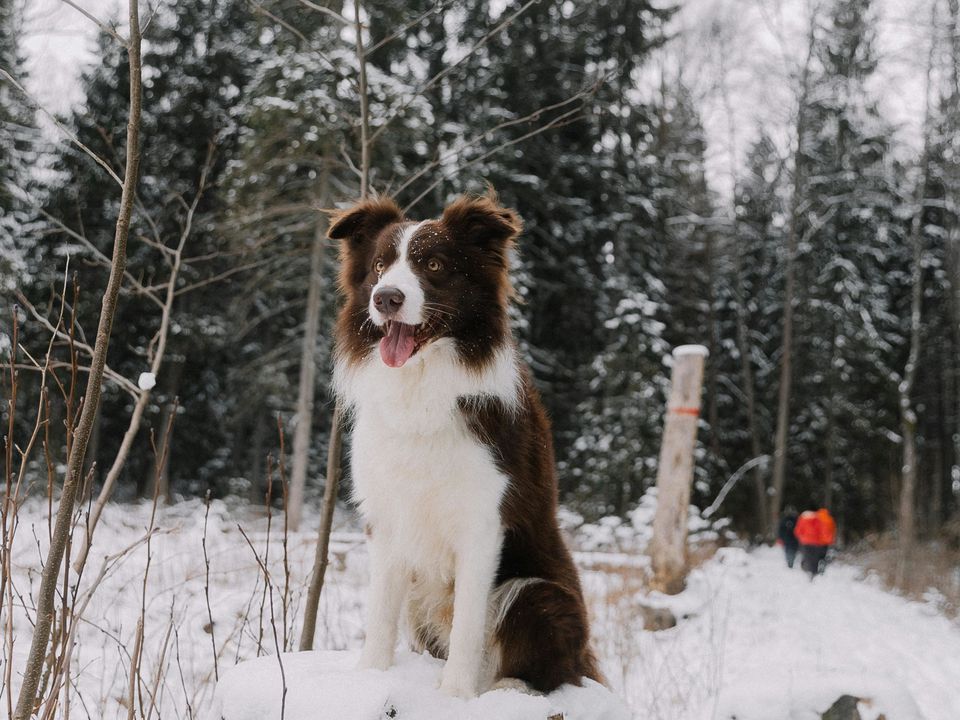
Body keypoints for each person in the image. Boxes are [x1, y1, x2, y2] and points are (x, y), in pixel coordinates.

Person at [794, 507, 836, 579]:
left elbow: (798, 531)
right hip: (821, 543)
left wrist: (801, 538)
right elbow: (831, 530)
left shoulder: (804, 517)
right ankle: (817, 570)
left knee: (809, 558)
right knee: (818, 557)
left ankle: (812, 572)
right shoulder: (825, 518)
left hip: (806, 542)